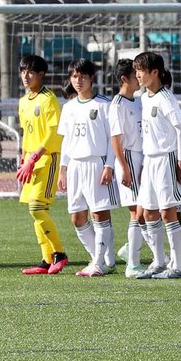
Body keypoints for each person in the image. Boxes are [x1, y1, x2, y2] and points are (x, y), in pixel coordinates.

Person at [57, 58, 119, 277]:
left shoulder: (104, 105)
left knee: (99, 214)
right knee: (77, 217)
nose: (78, 80)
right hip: (75, 165)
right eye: (75, 76)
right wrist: (63, 168)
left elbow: (113, 139)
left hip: (97, 162)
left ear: (91, 78)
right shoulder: (69, 107)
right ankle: (100, 259)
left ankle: (100, 263)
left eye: (83, 76)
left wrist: (109, 165)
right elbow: (66, 140)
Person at [132, 51, 181, 279]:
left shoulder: (166, 98)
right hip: (150, 160)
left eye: (141, 71)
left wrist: (180, 160)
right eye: (136, 71)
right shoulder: (144, 97)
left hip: (166, 158)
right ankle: (158, 261)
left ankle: (178, 266)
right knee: (148, 212)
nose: (137, 75)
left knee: (168, 212)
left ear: (154, 72)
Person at [17, 54, 69, 275]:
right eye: (23, 71)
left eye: (30, 72)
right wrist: (23, 158)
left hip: (47, 159)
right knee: (36, 211)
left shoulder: (49, 99)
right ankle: (46, 259)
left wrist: (33, 158)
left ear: (41, 74)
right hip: (30, 161)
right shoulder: (23, 102)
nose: (25, 76)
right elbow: (26, 133)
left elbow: (53, 134)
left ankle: (59, 253)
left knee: (37, 207)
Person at [108, 58, 147, 278]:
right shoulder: (118, 104)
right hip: (129, 157)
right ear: (125, 79)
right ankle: (133, 264)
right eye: (135, 75)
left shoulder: (138, 100)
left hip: (142, 156)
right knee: (136, 211)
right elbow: (115, 139)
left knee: (145, 209)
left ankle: (129, 250)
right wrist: (124, 167)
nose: (139, 78)